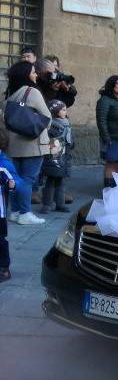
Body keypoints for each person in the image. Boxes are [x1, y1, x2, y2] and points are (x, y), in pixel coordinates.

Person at [4, 60, 50, 225]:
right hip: (33, 144)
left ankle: (15, 211)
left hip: (14, 146)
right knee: (28, 179)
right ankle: (25, 213)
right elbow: (47, 118)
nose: (36, 74)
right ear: (26, 75)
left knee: (17, 179)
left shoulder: (11, 94)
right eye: (33, 71)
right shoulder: (32, 92)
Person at [41, 100, 73, 213]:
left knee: (61, 181)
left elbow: (70, 140)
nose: (66, 112)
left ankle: (60, 203)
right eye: (63, 109)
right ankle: (47, 204)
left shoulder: (67, 123)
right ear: (55, 111)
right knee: (50, 181)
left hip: (64, 157)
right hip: (53, 158)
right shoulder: (52, 124)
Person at [0, 129, 21, 282]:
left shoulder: (4, 164)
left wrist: (12, 185)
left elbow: (17, 181)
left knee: (0, 239)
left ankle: (4, 268)